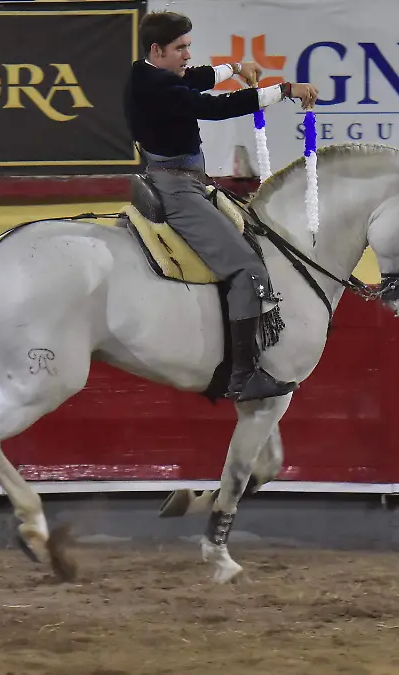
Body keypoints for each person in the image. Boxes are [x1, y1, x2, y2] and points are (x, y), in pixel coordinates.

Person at [124, 10, 319, 402]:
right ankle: (243, 376)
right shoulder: (161, 87)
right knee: (248, 268)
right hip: (178, 190)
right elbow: (216, 108)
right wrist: (285, 90)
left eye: (189, 46)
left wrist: (235, 67)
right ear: (157, 50)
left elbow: (194, 78)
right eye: (180, 48)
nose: (187, 55)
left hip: (180, 180)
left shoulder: (145, 73)